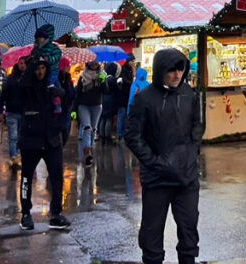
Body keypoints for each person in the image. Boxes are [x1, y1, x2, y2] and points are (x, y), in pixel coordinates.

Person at [125, 47, 202, 264]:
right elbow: (132, 134)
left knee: (189, 232)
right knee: (151, 235)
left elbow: (196, 125)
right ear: (160, 71)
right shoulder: (145, 99)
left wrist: (191, 153)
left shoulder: (189, 94)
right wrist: (153, 161)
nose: (177, 75)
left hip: (186, 177)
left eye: (180, 69)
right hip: (157, 178)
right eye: (171, 70)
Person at [18, 58, 71, 230]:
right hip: (31, 139)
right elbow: (16, 97)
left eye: (43, 68)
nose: (40, 72)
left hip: (51, 138)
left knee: (57, 177)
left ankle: (56, 212)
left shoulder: (53, 86)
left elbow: (69, 98)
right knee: (26, 177)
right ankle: (26, 212)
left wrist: (65, 80)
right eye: (37, 69)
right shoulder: (26, 86)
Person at [76, 59, 108, 165]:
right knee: (87, 128)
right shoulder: (83, 76)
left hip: (97, 106)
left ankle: (90, 148)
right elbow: (77, 93)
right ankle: (87, 153)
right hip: (83, 105)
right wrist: (74, 109)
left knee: (93, 129)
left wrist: (103, 81)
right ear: (88, 63)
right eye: (92, 62)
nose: (94, 64)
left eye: (96, 62)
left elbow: (106, 91)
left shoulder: (102, 75)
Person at [0, 57, 28, 169]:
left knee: (21, 136)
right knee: (13, 136)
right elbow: (3, 95)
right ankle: (14, 157)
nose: (22, 65)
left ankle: (19, 156)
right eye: (20, 63)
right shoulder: (11, 78)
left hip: (24, 111)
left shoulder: (28, 78)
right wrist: (0, 110)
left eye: (24, 63)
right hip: (12, 111)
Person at [28, 25, 63, 113]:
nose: (38, 39)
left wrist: (49, 60)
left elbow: (57, 56)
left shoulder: (53, 48)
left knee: (51, 82)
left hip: (52, 69)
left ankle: (57, 103)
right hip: (40, 71)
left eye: (40, 37)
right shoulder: (36, 49)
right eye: (37, 38)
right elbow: (32, 57)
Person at [117, 54, 135, 141]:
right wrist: (132, 83)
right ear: (128, 61)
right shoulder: (122, 69)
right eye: (132, 61)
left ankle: (123, 132)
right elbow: (124, 80)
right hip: (122, 96)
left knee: (125, 116)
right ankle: (120, 133)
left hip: (127, 96)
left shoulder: (130, 69)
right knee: (122, 115)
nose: (133, 63)